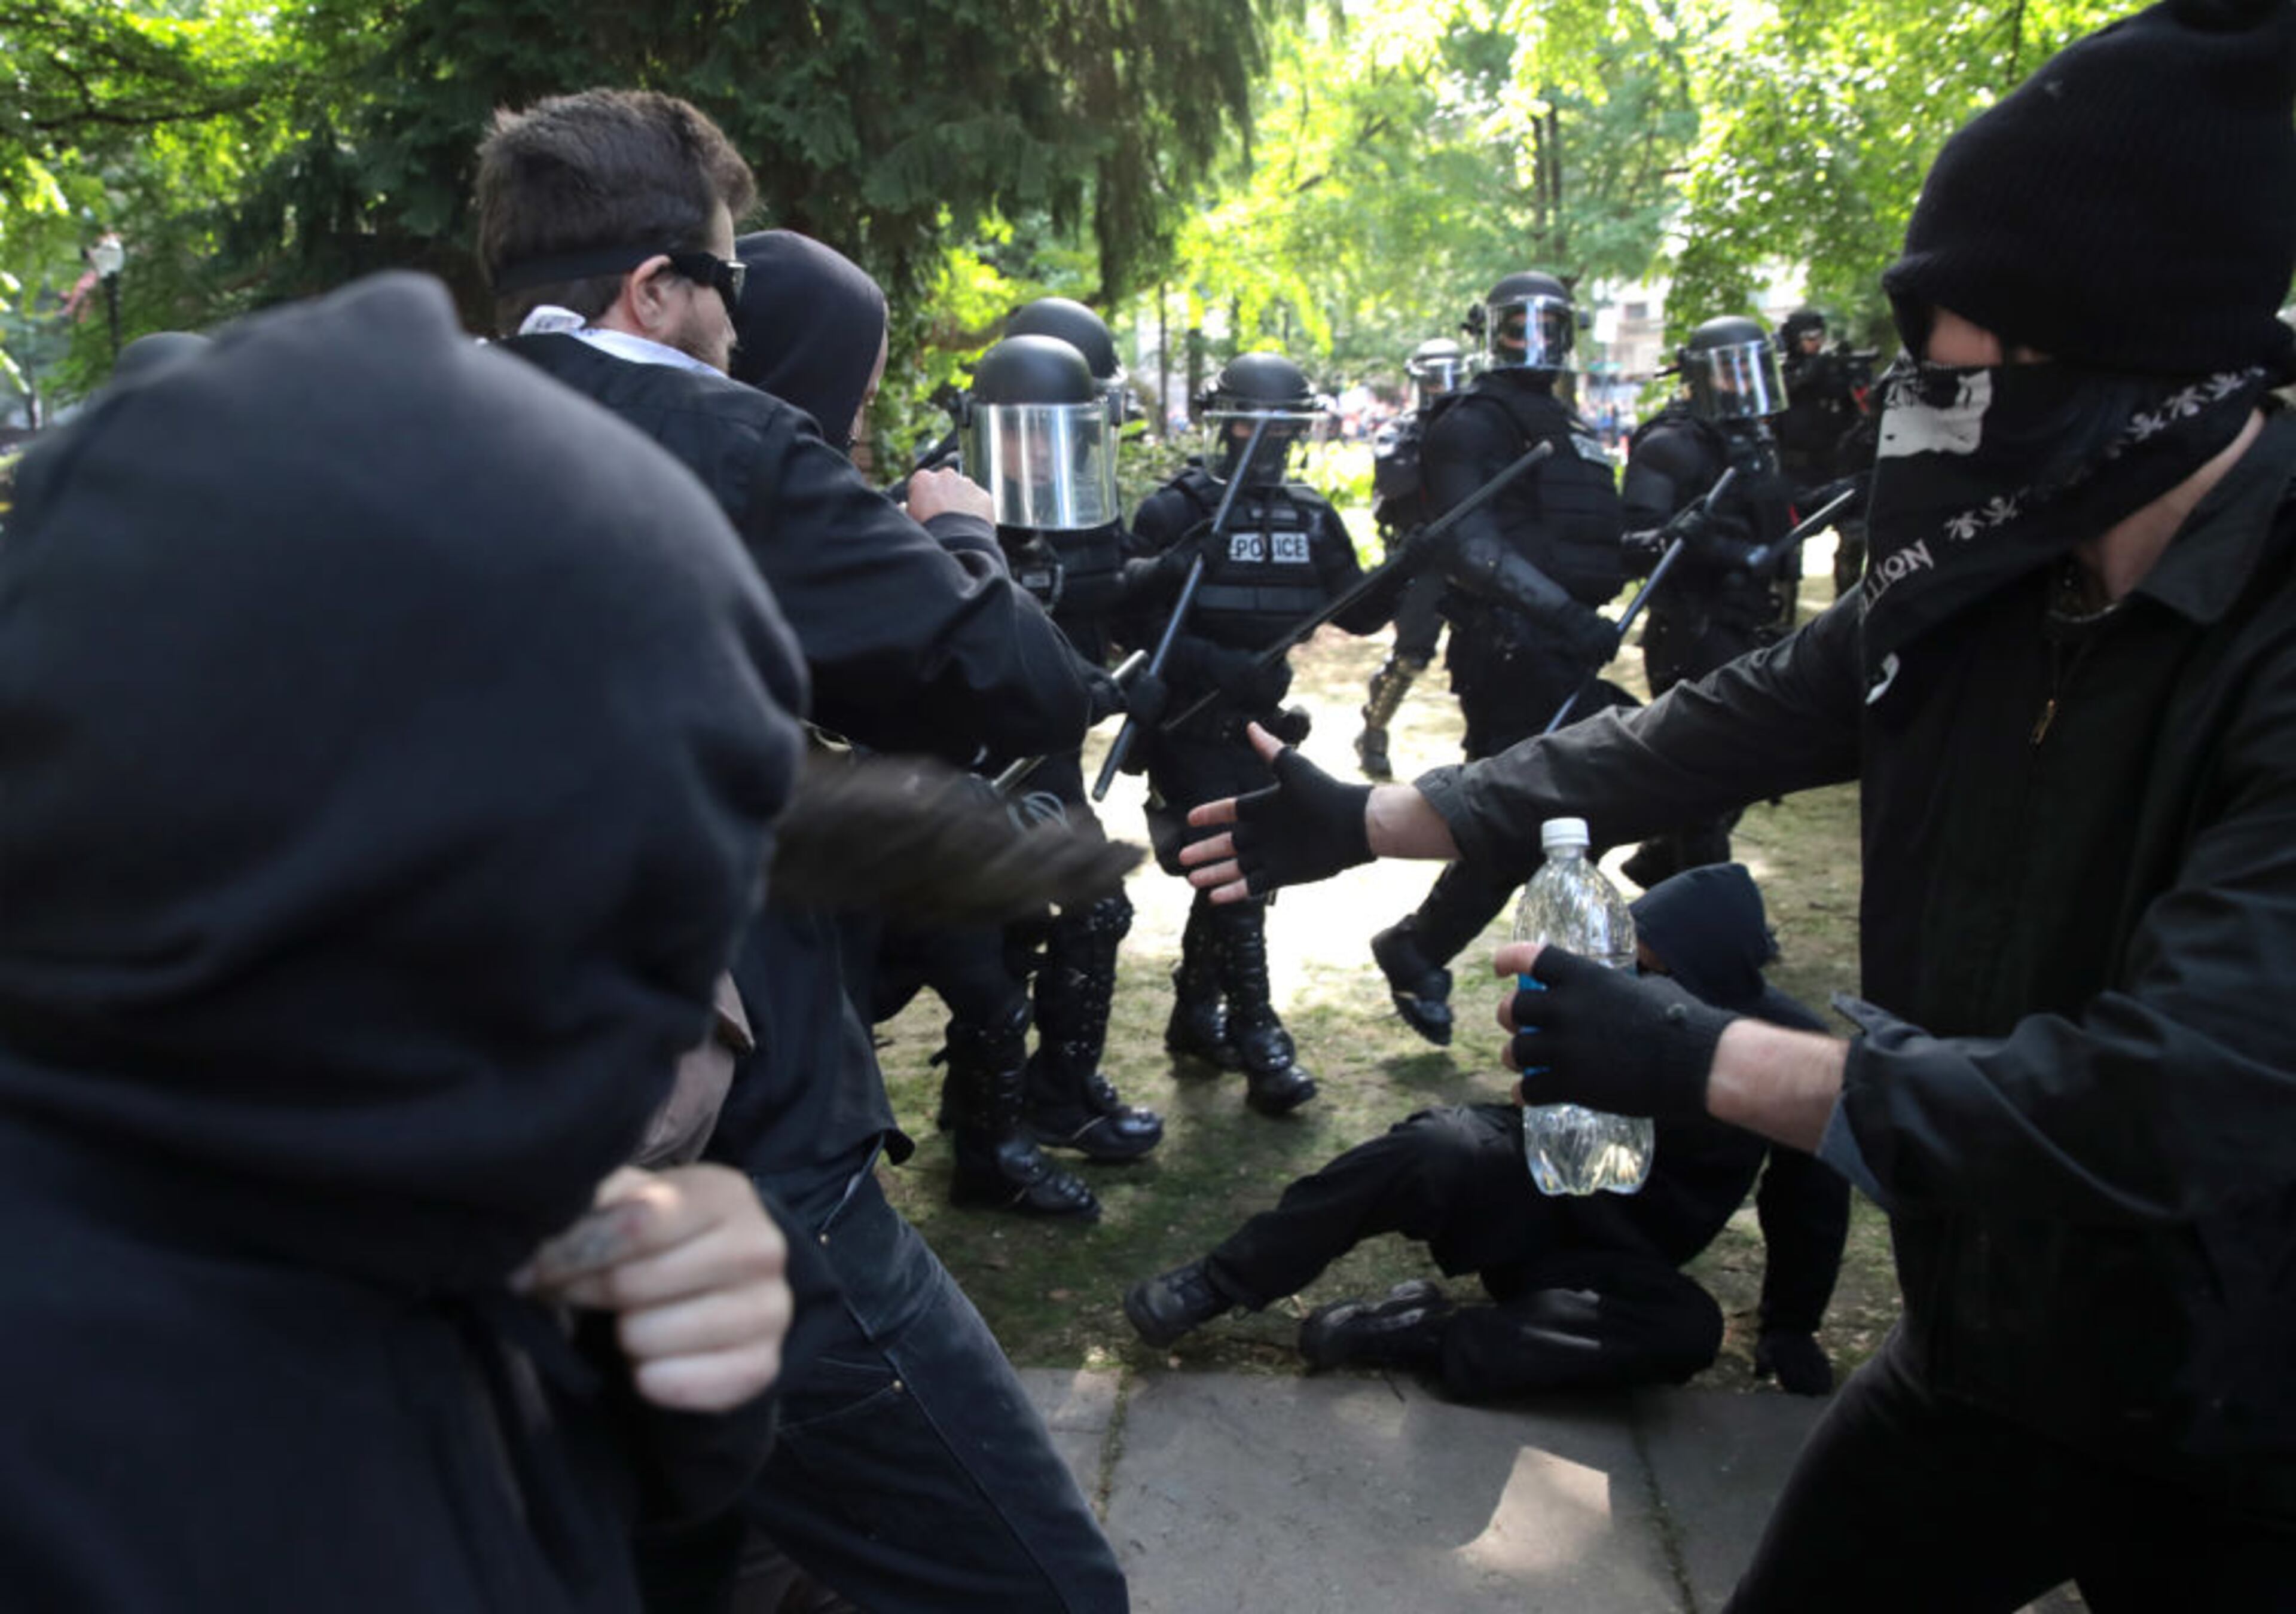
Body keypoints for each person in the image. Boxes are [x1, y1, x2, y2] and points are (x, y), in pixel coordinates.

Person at [1177, 2, 2296, 1603]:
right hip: (1985, 1355)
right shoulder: (1996, 574)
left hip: (2246, 1409)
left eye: (1953, 344)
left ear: (2114, 341)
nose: (1917, 389)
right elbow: (1686, 737)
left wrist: (1714, 1058)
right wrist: (1373, 819)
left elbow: (2180, 1105)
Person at [0, 273, 806, 1612]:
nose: (657, 1019)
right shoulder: (84, 1426)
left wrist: (656, 1406)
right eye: (632, 920)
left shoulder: (353, 1210)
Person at [476, 94, 1129, 1613]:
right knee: (1040, 1587)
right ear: (653, 289)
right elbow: (1018, 681)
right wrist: (958, 531)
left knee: (688, 1562)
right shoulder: (707, 438)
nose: (737, 329)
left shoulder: (410, 437)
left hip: (498, 1157)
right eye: (729, 286)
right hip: (748, 1164)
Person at [1123, 864, 1848, 1399]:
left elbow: (1810, 1194)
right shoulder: (1610, 992)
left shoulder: (1784, 1049)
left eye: (1655, 966)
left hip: (1614, 1261)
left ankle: (1418, 1335)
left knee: (1684, 1331)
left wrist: (1790, 1325)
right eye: (1631, 954)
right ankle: (1216, 1283)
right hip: (1529, 1190)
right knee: (1434, 1146)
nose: (1633, 973)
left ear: (1712, 974)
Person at [732, 239, 1105, 1222]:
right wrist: (961, 537)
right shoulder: (804, 517)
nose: (863, 410)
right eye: (860, 379)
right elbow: (1016, 680)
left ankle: (1001, 1141)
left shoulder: (702, 480)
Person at [1367, 271, 1626, 1049]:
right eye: (1517, 325)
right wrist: (1568, 618)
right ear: (1492, 330)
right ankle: (1559, 974)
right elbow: (1471, 547)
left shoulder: (1567, 421)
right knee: (1560, 803)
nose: (1534, 340)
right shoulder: (1470, 423)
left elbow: (1574, 535)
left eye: (1549, 323)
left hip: (1560, 645)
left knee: (1552, 816)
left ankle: (1420, 948)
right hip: (1510, 651)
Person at [1126, 350, 1387, 1117]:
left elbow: (1359, 610)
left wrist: (1416, 566)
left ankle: (1193, 1010)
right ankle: (1259, 1031)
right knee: (1243, 867)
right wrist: (1215, 662)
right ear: (1221, 423)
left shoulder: (1310, 512)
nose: (1264, 441)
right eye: (1249, 422)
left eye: (1283, 427)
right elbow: (1131, 619)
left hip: (1261, 730)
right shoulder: (1175, 511)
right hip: (1188, 723)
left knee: (1241, 873)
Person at [966, 319, 1167, 1167]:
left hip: (1051, 762)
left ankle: (1054, 1096)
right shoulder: (950, 514)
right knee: (997, 939)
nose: (1046, 459)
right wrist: (1101, 692)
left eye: (1064, 438)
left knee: (1091, 915)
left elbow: (1096, 601)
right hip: (979, 771)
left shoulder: (1081, 508)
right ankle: (995, 1124)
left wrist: (1166, 577)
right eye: (1030, 438)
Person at [1614, 314, 1799, 887]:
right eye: (1730, 375)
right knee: (1706, 782)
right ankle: (1704, 924)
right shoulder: (1669, 444)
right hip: (1692, 631)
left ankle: (1660, 861)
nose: (1743, 388)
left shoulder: (1755, 442)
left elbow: (1773, 521)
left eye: (1752, 372)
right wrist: (1713, 548)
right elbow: (1635, 541)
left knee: (1750, 768)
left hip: (1749, 625)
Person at [1353, 335, 1470, 781]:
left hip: (1476, 557)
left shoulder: (1477, 429)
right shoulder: (1401, 432)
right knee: (1410, 658)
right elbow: (1396, 481)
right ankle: (1375, 728)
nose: (1444, 387)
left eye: (1451, 376)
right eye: (1435, 378)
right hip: (1422, 558)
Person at [1775, 307, 1879, 597]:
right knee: (1787, 548)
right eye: (1809, 338)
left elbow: (1867, 408)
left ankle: (1848, 607)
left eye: (1820, 337)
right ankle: (1780, 619)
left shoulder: (1834, 371)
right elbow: (1783, 393)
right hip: (1793, 473)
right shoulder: (1781, 372)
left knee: (1855, 538)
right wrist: (1812, 371)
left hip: (1836, 471)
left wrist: (1856, 376)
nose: (1817, 344)